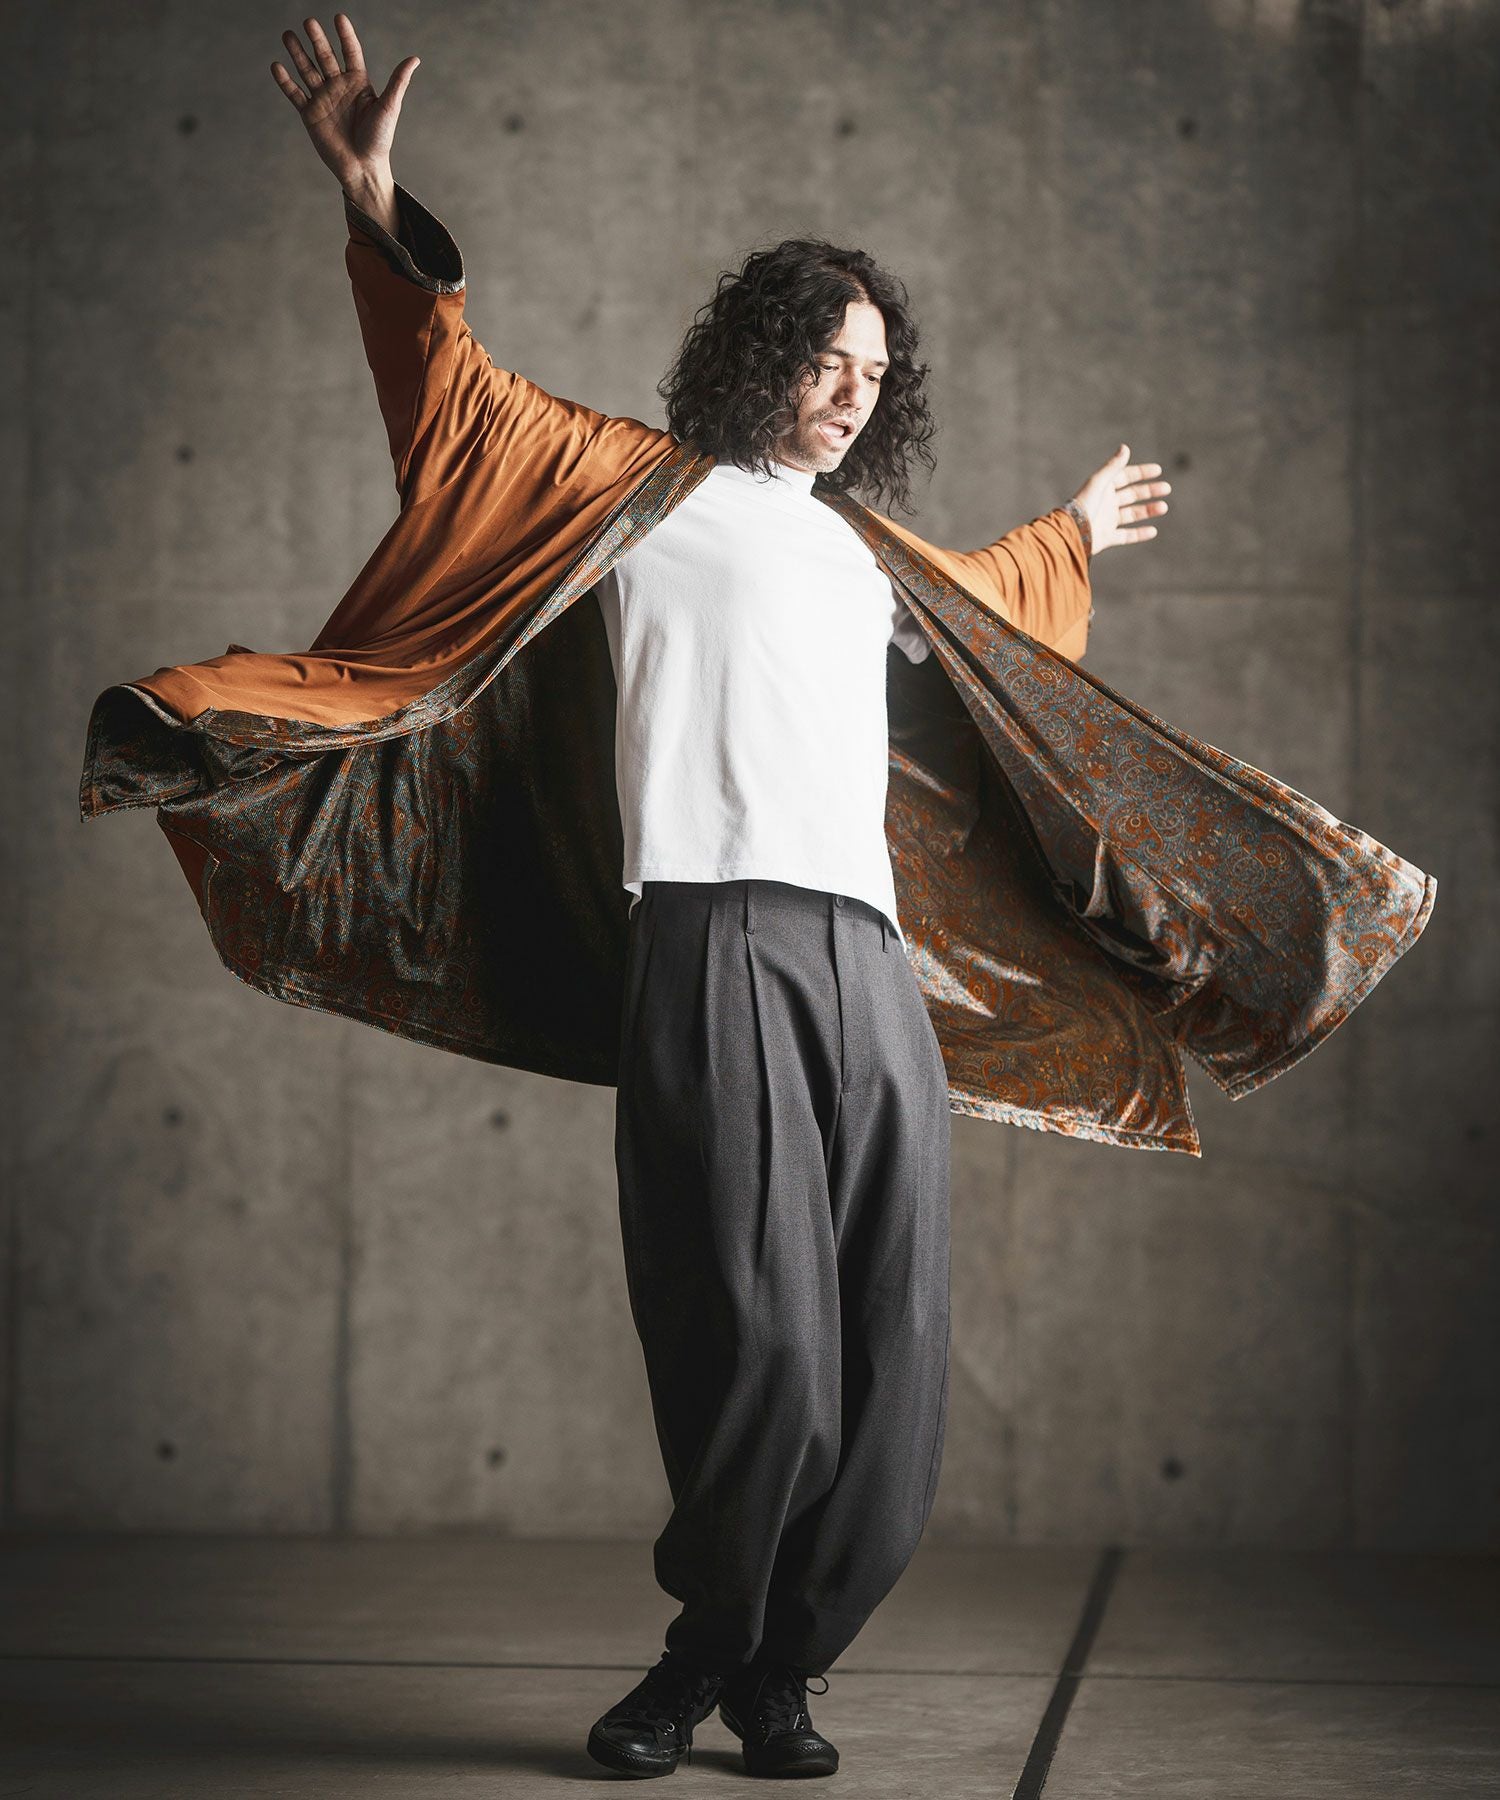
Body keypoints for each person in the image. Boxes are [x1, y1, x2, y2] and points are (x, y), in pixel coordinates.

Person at [76, 13, 1432, 1787]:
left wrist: (1076, 531)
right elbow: (452, 399)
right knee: (763, 1336)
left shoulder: (872, 557)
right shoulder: (633, 492)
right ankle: (702, 1653)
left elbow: (994, 613)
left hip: (873, 969)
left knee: (895, 1362)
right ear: (760, 354)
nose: (855, 390)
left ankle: (785, 1673)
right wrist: (376, 200)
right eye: (828, 356)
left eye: (877, 370)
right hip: (709, 941)